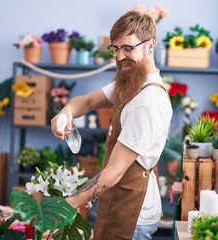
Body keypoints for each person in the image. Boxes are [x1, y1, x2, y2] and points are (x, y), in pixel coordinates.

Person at [51, 10, 172, 240]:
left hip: (132, 215)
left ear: (150, 46)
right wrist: (66, 112)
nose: (119, 56)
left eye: (128, 48)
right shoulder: (132, 82)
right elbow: (87, 101)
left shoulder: (148, 101)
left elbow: (114, 172)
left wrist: (72, 202)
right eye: (115, 48)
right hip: (117, 202)